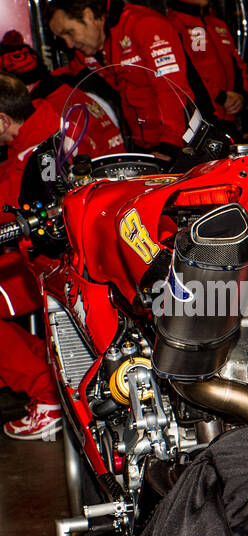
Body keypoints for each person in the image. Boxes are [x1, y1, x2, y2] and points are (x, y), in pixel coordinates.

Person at [0, 71, 123, 440]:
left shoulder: (35, 149)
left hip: (60, 261)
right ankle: (51, 380)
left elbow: (15, 210)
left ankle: (46, 394)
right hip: (91, 245)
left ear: (2, 119)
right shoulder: (53, 115)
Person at [46, 0, 198, 159]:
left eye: (69, 32)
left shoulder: (144, 25)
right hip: (143, 145)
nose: (69, 44)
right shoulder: (90, 49)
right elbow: (67, 74)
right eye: (62, 38)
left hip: (182, 144)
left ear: (88, 15)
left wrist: (170, 146)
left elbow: (172, 91)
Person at [167, 0, 248, 134]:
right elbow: (188, 75)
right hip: (202, 121)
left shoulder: (218, 23)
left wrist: (241, 95)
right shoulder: (172, 24)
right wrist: (222, 97)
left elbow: (239, 65)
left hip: (232, 117)